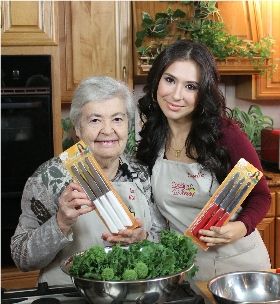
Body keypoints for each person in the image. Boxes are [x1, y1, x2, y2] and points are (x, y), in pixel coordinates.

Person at [136, 40, 271, 280]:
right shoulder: (154, 135)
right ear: (157, 79)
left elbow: (261, 195)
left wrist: (239, 228)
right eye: (170, 80)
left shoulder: (225, 134)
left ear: (203, 92)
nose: (176, 95)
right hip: (185, 266)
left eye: (190, 86)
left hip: (238, 264)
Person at [11, 76, 166, 285]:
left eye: (117, 119)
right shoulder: (48, 179)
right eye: (95, 120)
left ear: (128, 125)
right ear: (77, 128)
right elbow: (22, 258)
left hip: (130, 295)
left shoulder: (142, 174)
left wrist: (143, 239)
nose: (107, 130)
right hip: (68, 296)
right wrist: (61, 222)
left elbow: (162, 243)